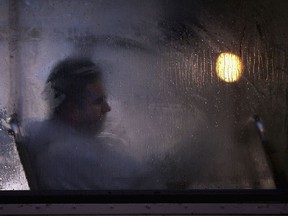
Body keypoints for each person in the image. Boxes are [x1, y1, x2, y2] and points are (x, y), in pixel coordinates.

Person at [24, 57, 158, 190]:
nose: (107, 108)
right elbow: (145, 181)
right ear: (72, 110)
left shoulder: (37, 134)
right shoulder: (70, 154)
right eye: (98, 102)